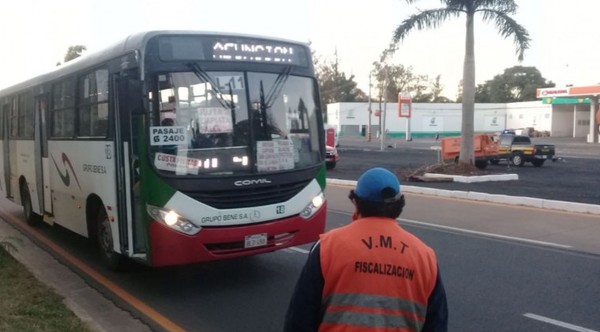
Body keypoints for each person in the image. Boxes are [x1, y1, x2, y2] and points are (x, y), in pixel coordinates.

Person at [284, 167, 448, 332]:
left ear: (356, 202)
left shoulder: (328, 247)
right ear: (399, 206)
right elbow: (437, 324)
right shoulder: (425, 257)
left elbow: (300, 318)